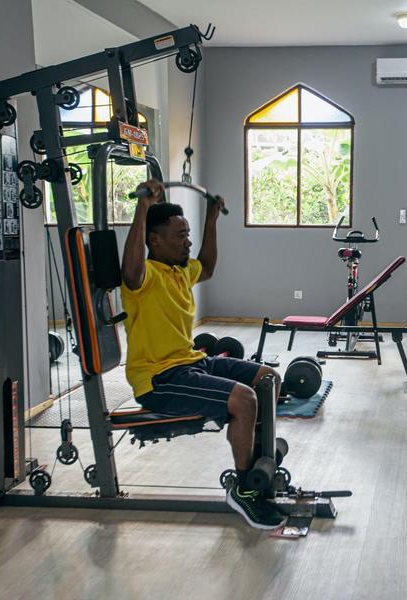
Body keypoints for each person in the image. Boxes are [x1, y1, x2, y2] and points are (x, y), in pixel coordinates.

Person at [120, 179, 285, 530]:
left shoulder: (181, 272)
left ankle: (257, 457)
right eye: (180, 236)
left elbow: (207, 266)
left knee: (268, 379)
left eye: (188, 234)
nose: (188, 242)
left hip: (193, 361)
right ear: (155, 240)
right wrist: (143, 207)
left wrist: (212, 219)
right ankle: (244, 490)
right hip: (159, 379)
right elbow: (130, 269)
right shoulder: (144, 277)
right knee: (243, 400)